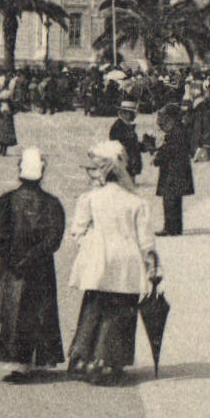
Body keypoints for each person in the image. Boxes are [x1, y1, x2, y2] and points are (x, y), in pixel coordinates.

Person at [66, 141, 160, 386]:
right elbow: (146, 243)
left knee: (93, 306)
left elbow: (77, 231)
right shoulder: (137, 203)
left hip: (99, 260)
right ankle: (109, 361)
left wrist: (92, 245)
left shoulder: (90, 199)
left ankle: (82, 358)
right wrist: (152, 269)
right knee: (121, 310)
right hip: (128, 262)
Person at [0, 147, 66, 382]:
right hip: (40, 267)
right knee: (39, 310)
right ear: (41, 173)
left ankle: (16, 362)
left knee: (12, 310)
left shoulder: (7, 200)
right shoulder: (52, 203)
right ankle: (37, 359)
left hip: (12, 268)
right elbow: (54, 238)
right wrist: (33, 257)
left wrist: (12, 258)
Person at [153, 104, 194, 236]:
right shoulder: (179, 130)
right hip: (178, 170)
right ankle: (174, 227)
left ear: (172, 118)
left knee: (170, 199)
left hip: (174, 171)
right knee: (173, 199)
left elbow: (170, 150)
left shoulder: (176, 132)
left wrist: (157, 155)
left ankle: (171, 228)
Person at [109, 100, 143, 180]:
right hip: (124, 161)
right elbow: (121, 142)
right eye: (131, 114)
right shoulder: (119, 126)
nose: (133, 116)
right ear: (124, 113)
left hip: (128, 162)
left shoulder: (126, 125)